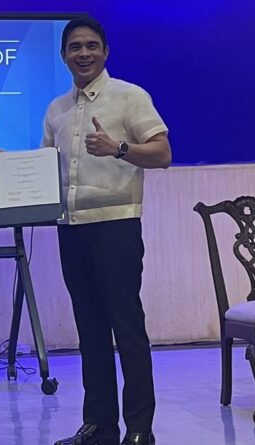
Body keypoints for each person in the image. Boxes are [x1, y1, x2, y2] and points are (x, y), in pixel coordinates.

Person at [47, 17, 171, 445]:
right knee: (90, 330)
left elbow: (163, 153)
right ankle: (99, 426)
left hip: (116, 226)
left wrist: (118, 148)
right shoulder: (56, 109)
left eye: (91, 46)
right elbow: (45, 168)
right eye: (75, 47)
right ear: (63, 55)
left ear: (105, 51)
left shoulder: (129, 96)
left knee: (127, 327)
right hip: (71, 229)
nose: (83, 53)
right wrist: (9, 170)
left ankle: (139, 428)